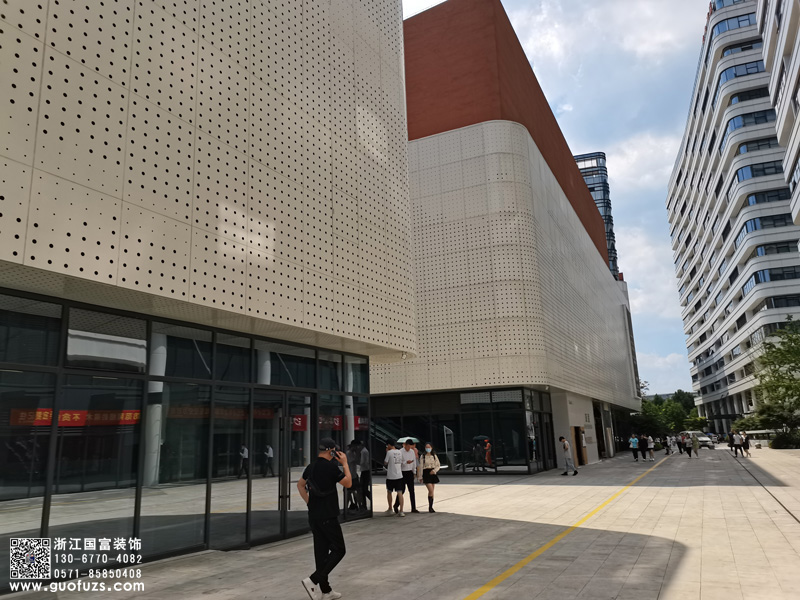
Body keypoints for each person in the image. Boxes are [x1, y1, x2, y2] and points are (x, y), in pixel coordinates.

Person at [297, 437, 352, 600]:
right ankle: (313, 580)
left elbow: (300, 485)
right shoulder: (331, 467)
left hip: (314, 516)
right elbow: (348, 483)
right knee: (339, 549)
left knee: (321, 553)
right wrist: (345, 464)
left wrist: (309, 502)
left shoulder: (311, 467)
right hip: (328, 515)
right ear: (331, 451)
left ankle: (326, 591)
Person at [418, 442, 441, 512]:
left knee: (432, 491)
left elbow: (438, 465)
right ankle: (430, 507)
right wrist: (420, 477)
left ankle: (431, 506)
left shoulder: (434, 455)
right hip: (426, 473)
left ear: (431, 447)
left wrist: (434, 471)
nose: (428, 449)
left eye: (429, 447)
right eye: (426, 447)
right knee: (430, 490)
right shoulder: (423, 456)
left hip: (432, 472)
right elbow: (421, 467)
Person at [383, 441, 405, 517]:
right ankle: (401, 510)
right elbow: (402, 462)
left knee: (389, 492)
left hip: (390, 476)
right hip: (399, 475)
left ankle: (390, 508)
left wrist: (387, 452)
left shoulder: (389, 452)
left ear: (389, 445)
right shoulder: (399, 452)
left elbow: (385, 462)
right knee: (400, 493)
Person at [399, 439, 419, 513]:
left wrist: (414, 472)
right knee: (402, 490)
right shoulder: (400, 451)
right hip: (402, 472)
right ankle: (396, 504)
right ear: (405, 445)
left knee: (412, 490)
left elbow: (414, 462)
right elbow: (399, 461)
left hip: (410, 472)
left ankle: (413, 508)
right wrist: (405, 462)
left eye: (410, 446)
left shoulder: (412, 452)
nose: (409, 448)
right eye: (408, 446)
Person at [345, 441, 362, 511]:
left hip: (353, 474)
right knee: (349, 491)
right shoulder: (349, 453)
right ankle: (352, 505)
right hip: (350, 475)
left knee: (351, 491)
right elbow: (354, 461)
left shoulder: (353, 453)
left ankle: (356, 504)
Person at [359, 441, 371, 510]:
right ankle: (364, 504)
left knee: (364, 489)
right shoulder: (365, 451)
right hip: (365, 470)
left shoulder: (363, 451)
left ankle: (364, 504)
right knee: (364, 489)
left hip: (365, 470)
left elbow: (363, 461)